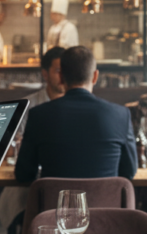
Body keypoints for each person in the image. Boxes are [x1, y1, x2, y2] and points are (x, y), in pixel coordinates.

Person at [15, 46, 137, 183]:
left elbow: (24, 175)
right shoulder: (120, 115)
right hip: (105, 203)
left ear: (61, 77)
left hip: (55, 203)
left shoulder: (39, 115)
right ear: (95, 76)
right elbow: (129, 172)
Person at [0, 46, 65, 229]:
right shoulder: (28, 107)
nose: (64, 76)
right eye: (58, 70)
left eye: (67, 70)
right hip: (30, 182)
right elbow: (7, 149)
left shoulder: (81, 108)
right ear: (45, 74)